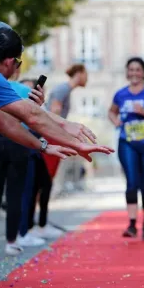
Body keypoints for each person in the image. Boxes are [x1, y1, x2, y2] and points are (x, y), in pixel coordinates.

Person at [0, 26, 113, 271]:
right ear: (11, 61)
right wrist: (74, 140)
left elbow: (0, 125)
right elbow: (32, 115)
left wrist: (44, 145)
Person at [0, 70, 46, 256]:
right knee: (15, 194)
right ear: (15, 69)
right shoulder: (25, 90)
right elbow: (38, 119)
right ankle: (12, 241)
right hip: (19, 140)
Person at [108, 57, 144, 240]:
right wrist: (115, 120)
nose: (134, 73)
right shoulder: (121, 94)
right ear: (127, 73)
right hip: (128, 142)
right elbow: (112, 111)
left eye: (138, 70)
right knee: (131, 181)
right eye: (131, 69)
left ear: (143, 73)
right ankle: (132, 224)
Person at [45, 64, 88, 200]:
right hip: (50, 136)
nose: (87, 78)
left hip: (52, 135)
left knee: (47, 177)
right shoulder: (63, 89)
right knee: (46, 176)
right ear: (79, 73)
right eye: (86, 74)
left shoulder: (65, 90)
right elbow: (54, 114)